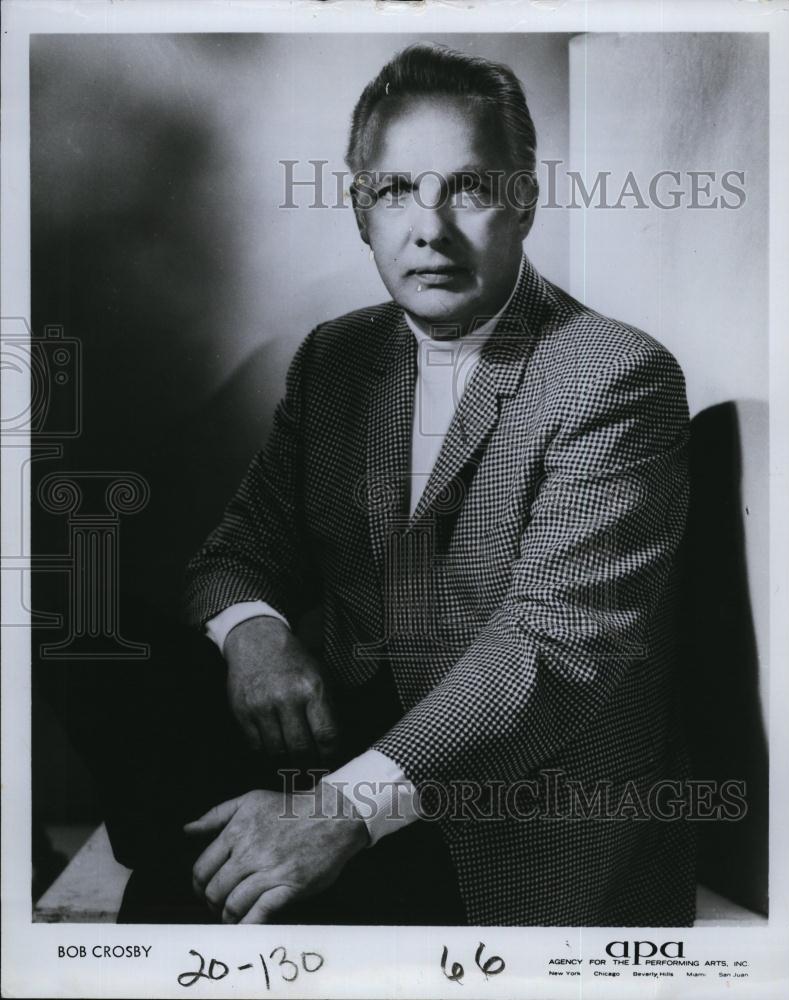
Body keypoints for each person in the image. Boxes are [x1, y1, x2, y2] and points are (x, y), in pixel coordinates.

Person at [117, 42, 696, 927]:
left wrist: (340, 813)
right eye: (394, 191)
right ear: (360, 211)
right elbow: (236, 553)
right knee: (99, 643)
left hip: (508, 821)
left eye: (468, 187)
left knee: (211, 907)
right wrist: (254, 633)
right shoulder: (338, 357)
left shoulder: (614, 373)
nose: (429, 228)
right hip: (346, 752)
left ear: (526, 203)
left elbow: (554, 652)